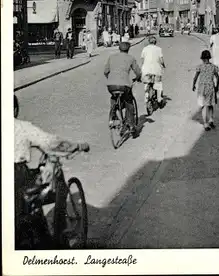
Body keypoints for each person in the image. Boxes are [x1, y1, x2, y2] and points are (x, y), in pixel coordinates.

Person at [14, 95, 89, 249]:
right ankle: (58, 240)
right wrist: (79, 146)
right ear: (14, 109)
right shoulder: (20, 127)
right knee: (56, 182)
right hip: (17, 177)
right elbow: (52, 143)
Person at [104, 42, 141, 136]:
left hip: (111, 85)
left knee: (113, 97)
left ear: (119, 49)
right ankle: (131, 125)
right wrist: (138, 78)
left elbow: (105, 71)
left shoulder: (111, 57)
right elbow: (137, 71)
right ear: (128, 49)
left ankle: (112, 117)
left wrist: (111, 78)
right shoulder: (131, 58)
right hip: (124, 85)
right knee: (129, 102)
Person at [192, 50, 219, 131]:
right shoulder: (213, 67)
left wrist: (193, 85)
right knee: (211, 104)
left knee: (204, 106)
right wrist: (217, 86)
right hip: (211, 87)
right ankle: (211, 120)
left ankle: (205, 124)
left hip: (202, 88)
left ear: (202, 58)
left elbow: (195, 77)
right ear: (209, 58)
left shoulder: (199, 66)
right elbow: (217, 78)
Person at [140, 36, 165, 107]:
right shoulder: (159, 49)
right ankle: (159, 99)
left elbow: (142, 60)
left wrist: (144, 67)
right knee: (158, 84)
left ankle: (146, 95)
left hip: (146, 70)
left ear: (149, 42)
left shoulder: (144, 49)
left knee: (146, 83)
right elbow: (161, 60)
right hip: (156, 70)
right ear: (155, 42)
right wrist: (163, 65)